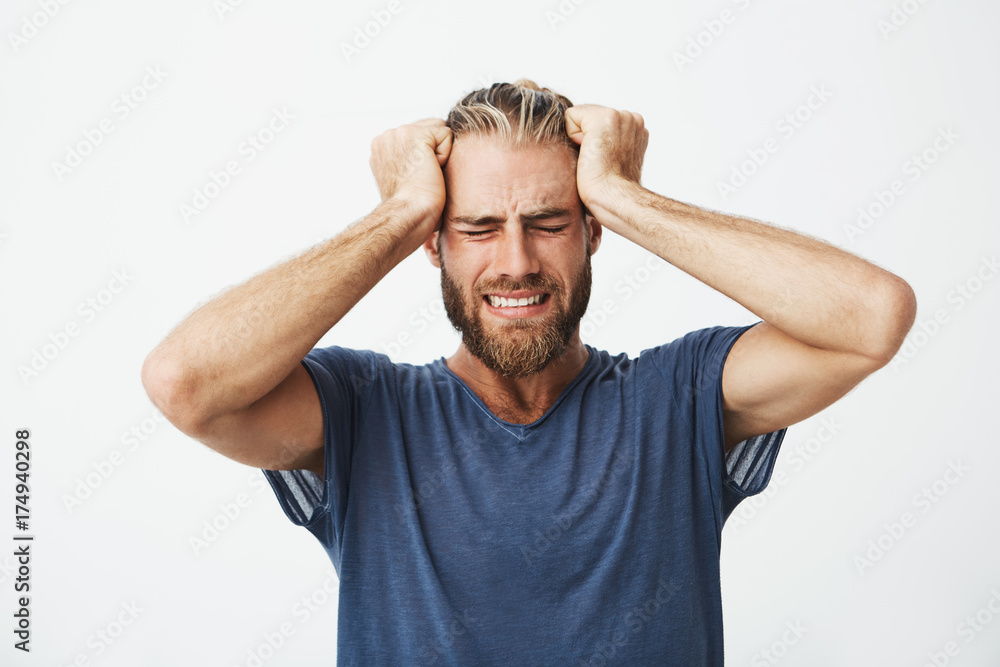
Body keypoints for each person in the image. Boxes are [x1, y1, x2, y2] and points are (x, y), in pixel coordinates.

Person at [141, 80, 917, 665]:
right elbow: (186, 382)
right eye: (477, 227)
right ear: (432, 243)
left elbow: (872, 318)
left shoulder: (676, 398)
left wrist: (622, 194)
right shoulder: (363, 412)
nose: (516, 262)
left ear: (591, 234)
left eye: (548, 222)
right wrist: (401, 209)